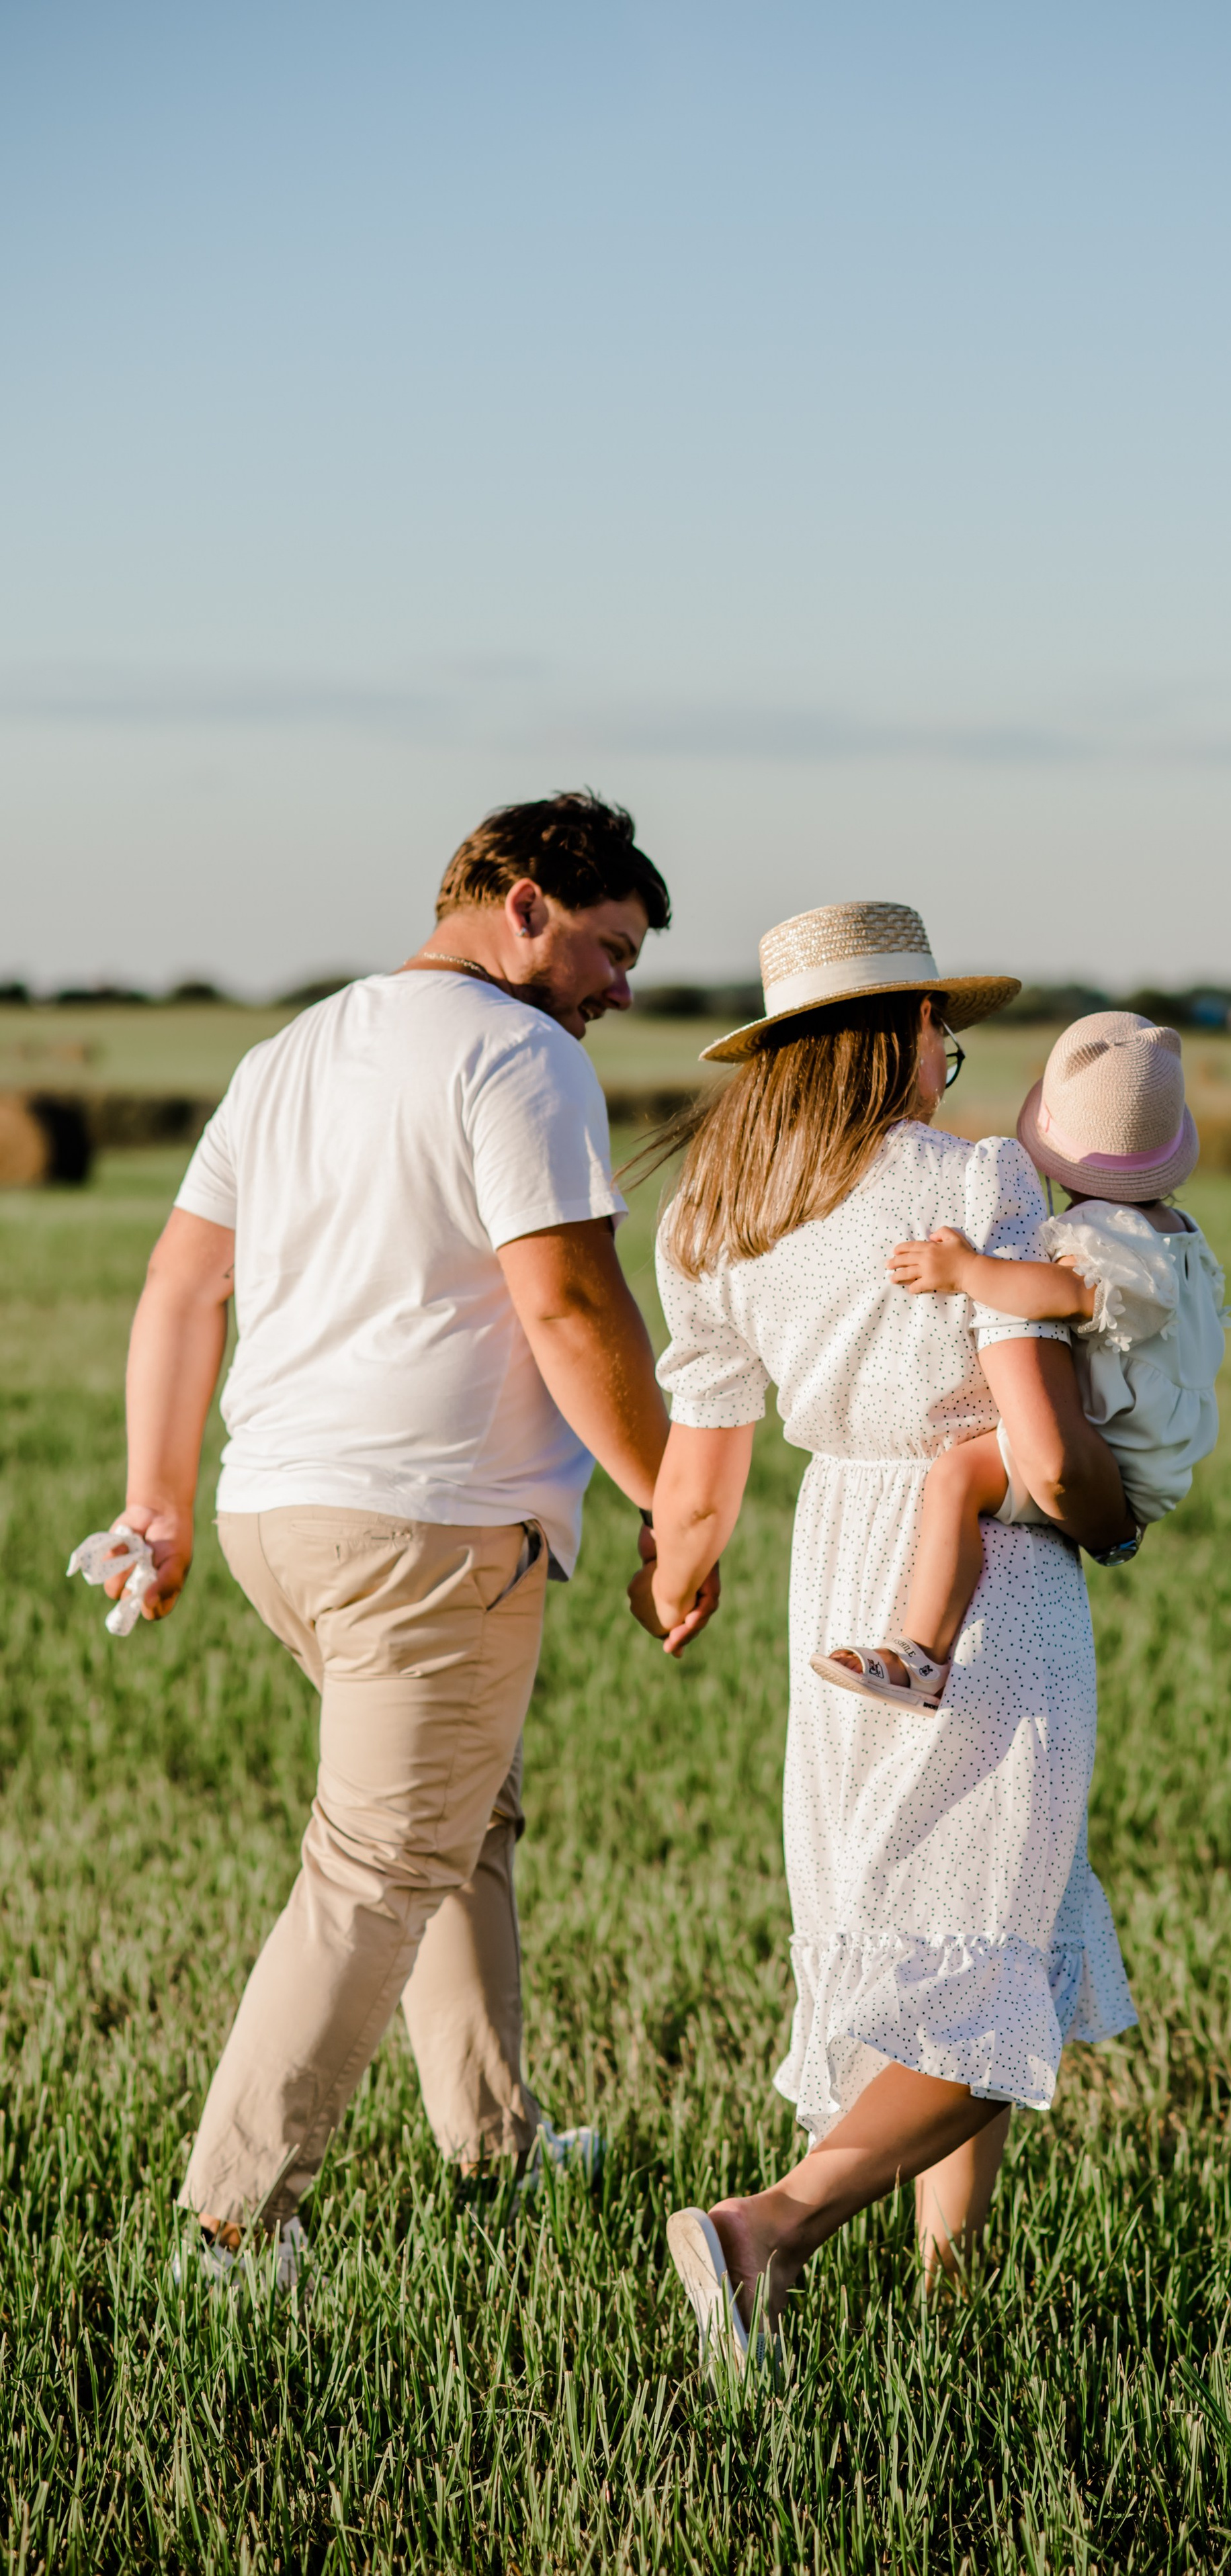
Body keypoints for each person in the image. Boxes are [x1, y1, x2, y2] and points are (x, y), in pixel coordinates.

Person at [110, 791, 714, 2284]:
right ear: (520, 902)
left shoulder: (291, 1050)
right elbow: (570, 1305)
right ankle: (237, 2220)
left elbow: (185, 1289)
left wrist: (161, 1504)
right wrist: (670, 1505)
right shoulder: (519, 1056)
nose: (620, 991)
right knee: (381, 1861)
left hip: (280, 1517)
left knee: (460, 1820)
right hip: (430, 1534)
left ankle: (493, 2138)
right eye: (608, 947)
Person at [634, 901, 1140, 2368]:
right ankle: (764, 2228)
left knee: (941, 1923)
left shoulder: (711, 1212)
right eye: (941, 1028)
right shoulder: (970, 1178)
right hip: (981, 1564)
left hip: (839, 1567)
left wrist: (680, 1576)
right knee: (996, 1940)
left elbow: (705, 1455)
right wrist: (1108, 1518)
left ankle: (948, 2292)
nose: (950, 1055)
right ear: (901, 1038)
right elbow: (1037, 1447)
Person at [814, 1012, 1231, 1712]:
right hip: (1157, 1449)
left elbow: (1066, 1294)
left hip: (1117, 1453)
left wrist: (966, 1269)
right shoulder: (1176, 1232)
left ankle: (921, 1655)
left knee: (954, 1477)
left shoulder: (1103, 1235)